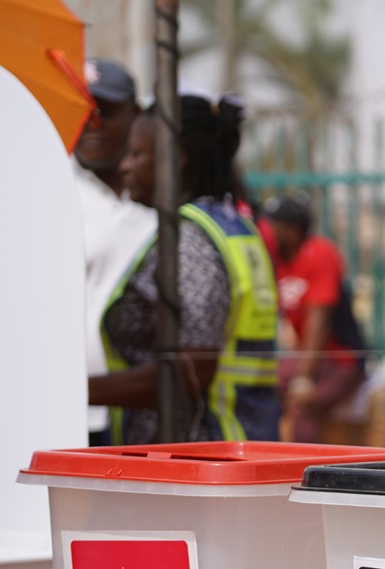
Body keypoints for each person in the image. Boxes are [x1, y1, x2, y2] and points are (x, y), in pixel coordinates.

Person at [90, 95, 281, 444]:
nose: (124, 166)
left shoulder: (191, 241)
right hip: (240, 437)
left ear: (176, 158)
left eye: (137, 154)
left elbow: (191, 372)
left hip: (196, 451)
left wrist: (78, 390)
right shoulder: (233, 226)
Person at [74, 59, 157, 444]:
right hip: (71, 412)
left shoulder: (158, 202)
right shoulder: (46, 193)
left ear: (135, 114)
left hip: (141, 413)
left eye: (106, 112)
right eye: (83, 111)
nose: (93, 123)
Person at [263, 194, 368, 443]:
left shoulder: (320, 252)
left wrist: (303, 378)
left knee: (304, 404)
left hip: (341, 359)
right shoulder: (278, 261)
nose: (264, 232)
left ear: (292, 232)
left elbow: (318, 323)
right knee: (263, 386)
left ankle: (302, 474)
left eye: (271, 226)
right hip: (307, 354)